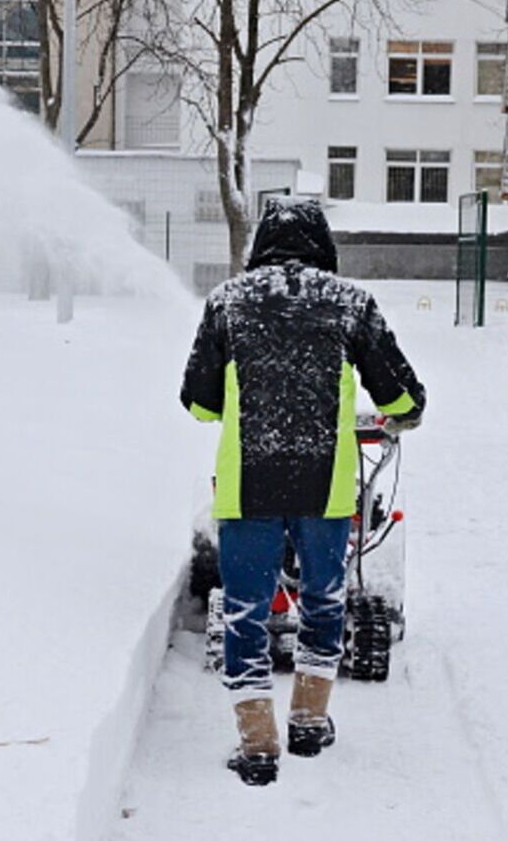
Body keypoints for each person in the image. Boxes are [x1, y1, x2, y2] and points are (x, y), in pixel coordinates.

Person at [180, 198, 426, 787]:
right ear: (324, 245)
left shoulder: (228, 303)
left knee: (246, 609)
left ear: (262, 243)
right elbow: (404, 399)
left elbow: (198, 403)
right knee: (323, 599)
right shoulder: (349, 304)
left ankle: (257, 741)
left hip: (248, 486)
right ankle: (310, 722)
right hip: (327, 486)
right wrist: (396, 417)